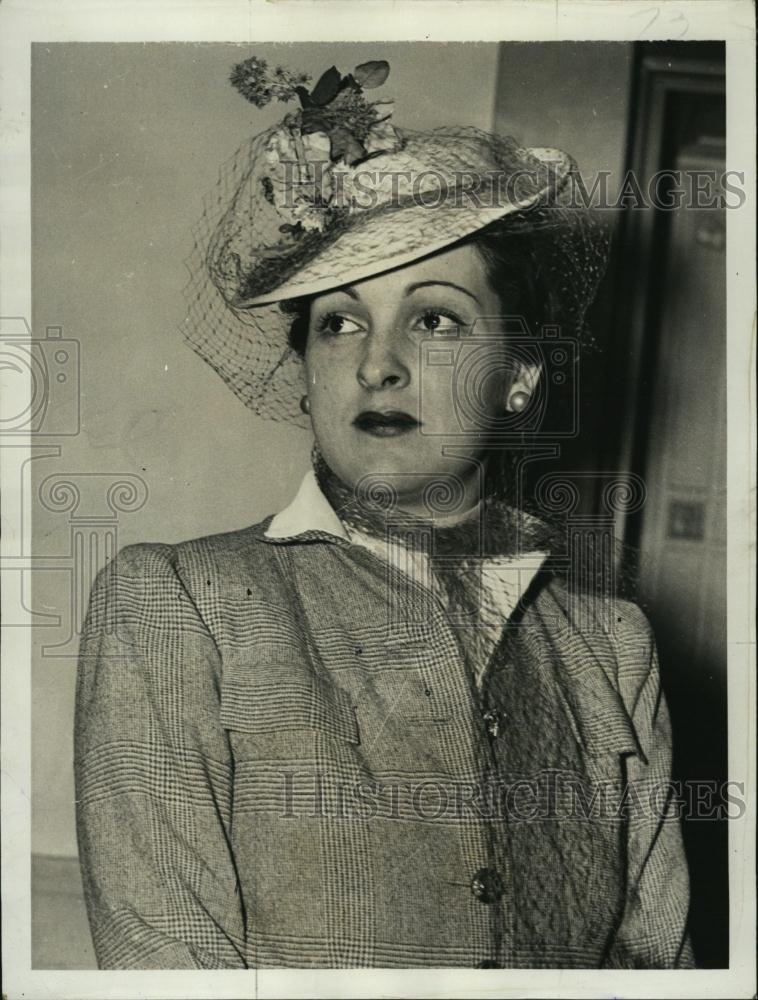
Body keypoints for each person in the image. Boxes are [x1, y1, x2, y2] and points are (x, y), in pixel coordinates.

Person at [74, 56, 694, 969]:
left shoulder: (614, 646)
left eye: (435, 320)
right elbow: (165, 964)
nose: (376, 365)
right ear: (307, 370)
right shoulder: (179, 603)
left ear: (521, 378)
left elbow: (659, 965)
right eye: (339, 322)